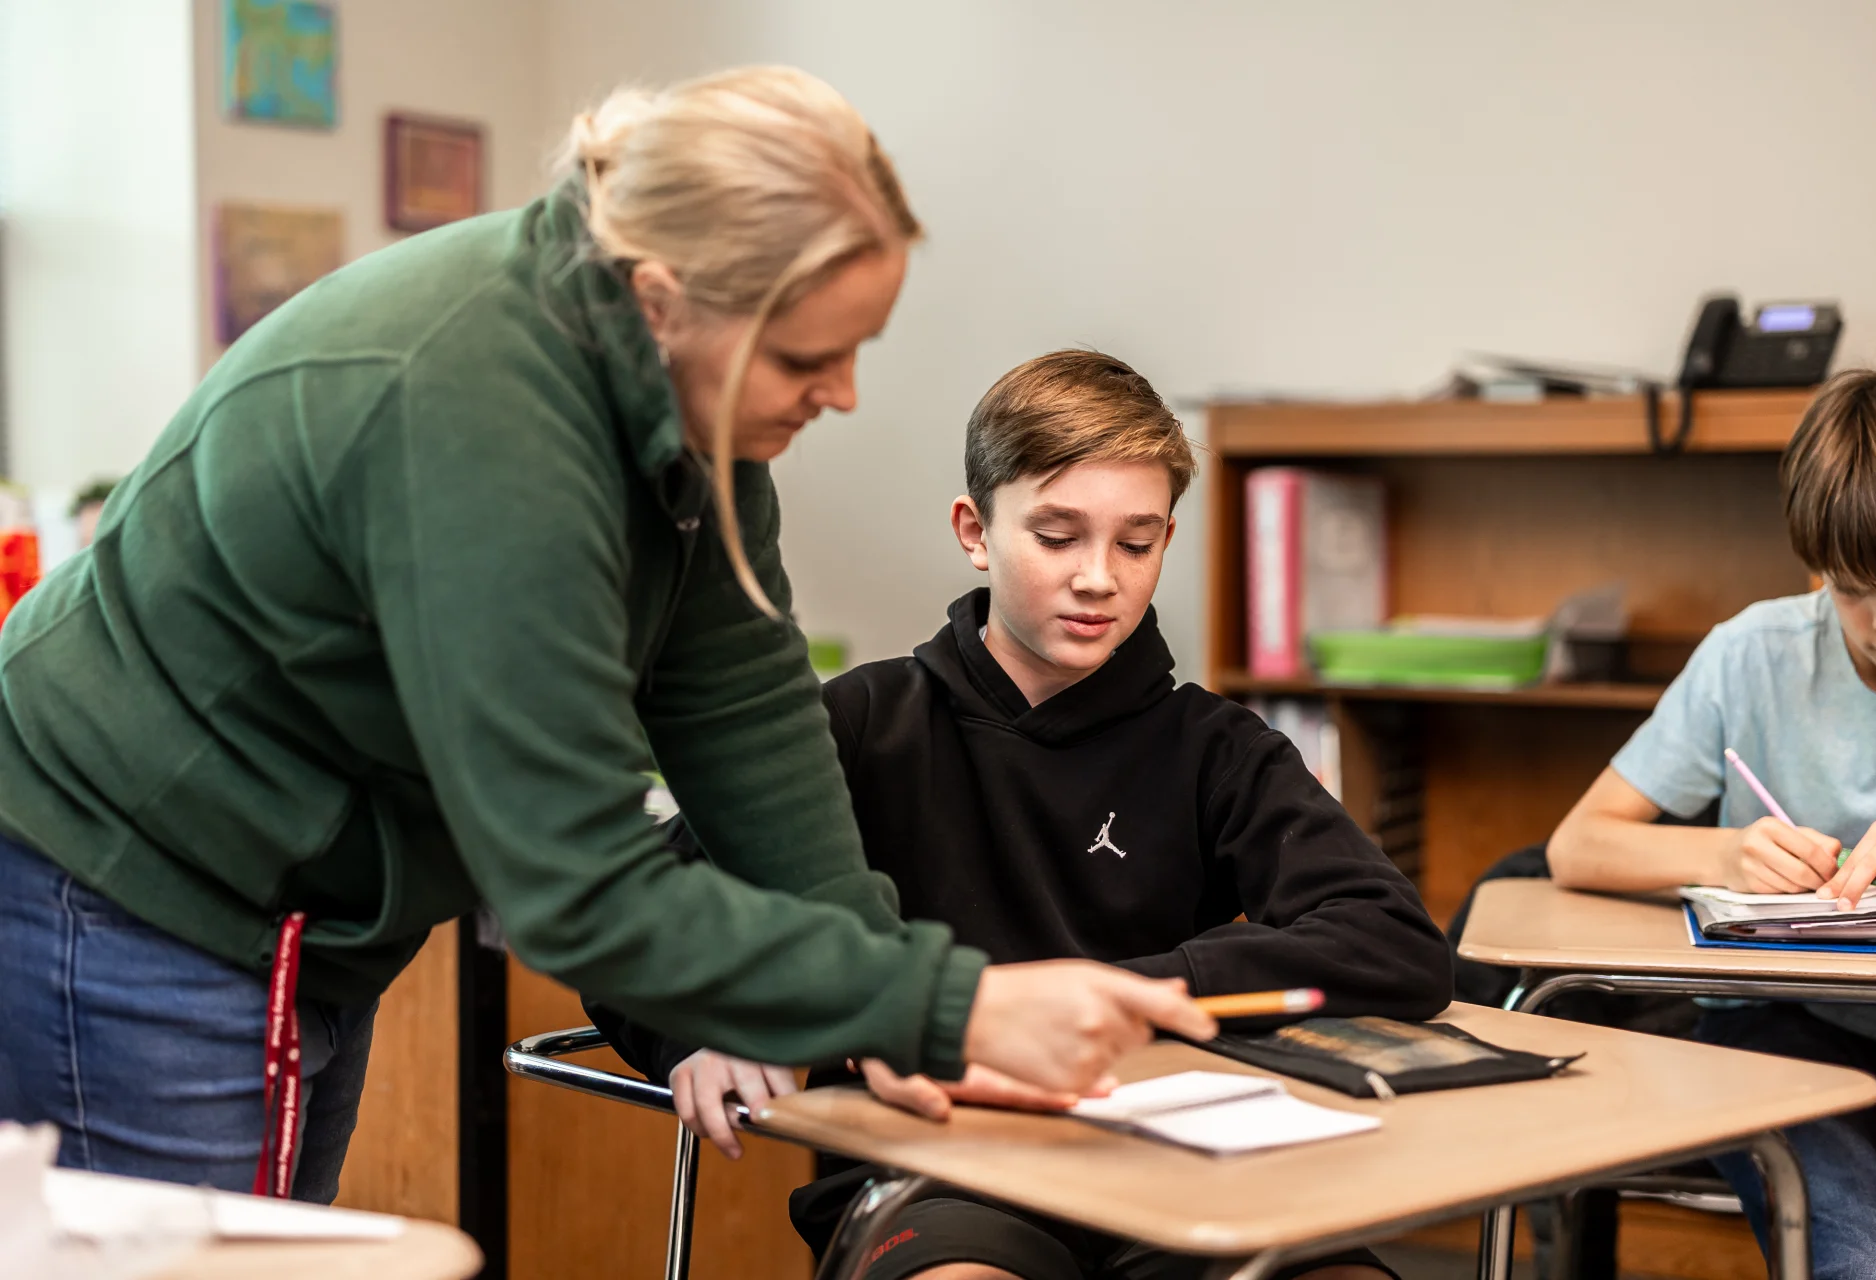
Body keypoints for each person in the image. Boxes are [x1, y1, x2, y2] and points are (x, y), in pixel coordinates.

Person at [0, 69, 1212, 1203]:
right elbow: (574, 885)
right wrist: (947, 1004)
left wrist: (882, 999)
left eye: (856, 349)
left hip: (294, 896)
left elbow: (745, 713)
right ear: (661, 298)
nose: (841, 390)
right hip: (134, 878)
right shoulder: (481, 415)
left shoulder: (687, 407)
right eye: (806, 354)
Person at [594, 350, 1451, 1280]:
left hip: (1175, 1165)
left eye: (1136, 542)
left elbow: (1395, 943)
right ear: (976, 531)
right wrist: (700, 1027)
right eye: (1057, 536)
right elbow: (632, 916)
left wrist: (1127, 997)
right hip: (936, 1175)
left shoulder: (1215, 746)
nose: (1098, 579)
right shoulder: (858, 724)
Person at [1547, 369, 1876, 1280]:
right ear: (1815, 566)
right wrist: (1727, 849)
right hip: (1775, 1031)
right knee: (1873, 1265)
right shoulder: (1752, 656)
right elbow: (1575, 845)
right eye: (1857, 588)